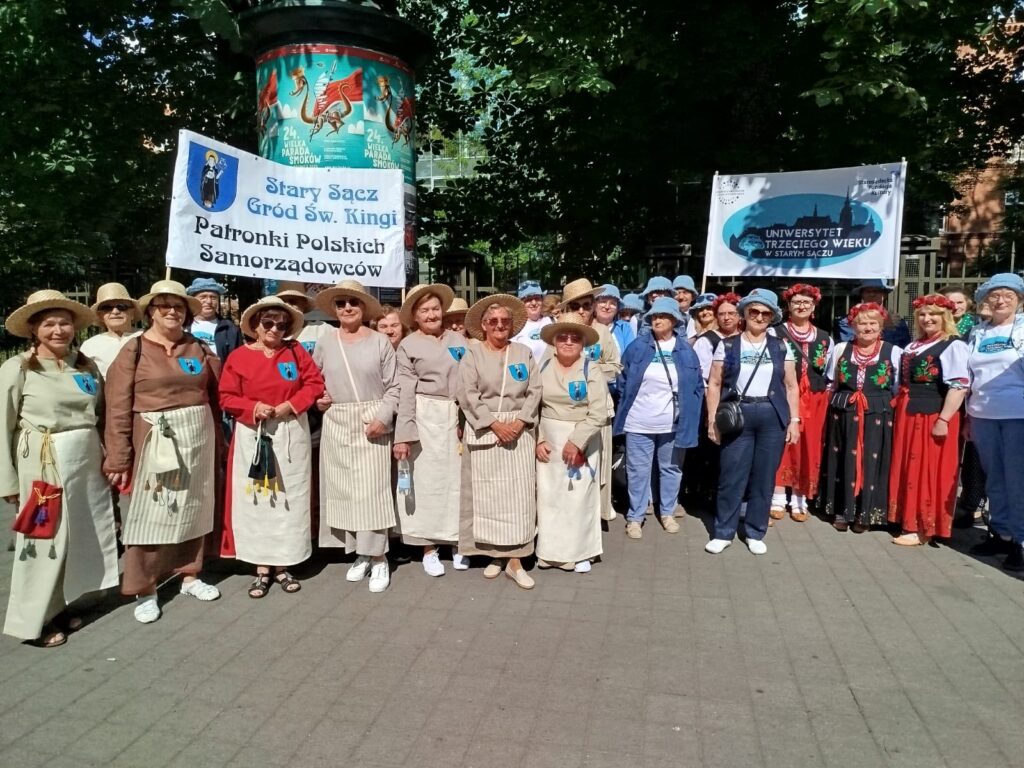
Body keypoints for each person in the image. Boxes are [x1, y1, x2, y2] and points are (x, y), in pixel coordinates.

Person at [1, 291, 119, 647]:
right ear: (33, 329)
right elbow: (2, 424)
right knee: (43, 539)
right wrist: (7, 480)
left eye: (64, 323)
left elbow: (100, 414)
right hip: (43, 465)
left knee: (77, 537)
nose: (58, 330)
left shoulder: (85, 366)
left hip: (84, 463)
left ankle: (59, 605)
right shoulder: (18, 368)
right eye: (49, 324)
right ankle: (32, 622)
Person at [103, 280, 223, 623]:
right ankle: (144, 587)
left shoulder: (198, 347)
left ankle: (190, 574)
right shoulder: (134, 349)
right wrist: (118, 456)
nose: (172, 311)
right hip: (154, 437)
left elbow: (217, 395)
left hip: (197, 436)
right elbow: (117, 406)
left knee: (194, 507)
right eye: (164, 305)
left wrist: (221, 442)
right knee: (151, 512)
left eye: (179, 306)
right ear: (151, 312)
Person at [218, 296, 325, 597]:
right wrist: (253, 408)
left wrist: (291, 405)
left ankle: (284, 564)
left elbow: (314, 384)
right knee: (259, 500)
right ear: (255, 325)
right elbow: (226, 396)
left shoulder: (295, 351)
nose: (275, 329)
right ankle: (261, 567)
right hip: (254, 434)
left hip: (291, 432)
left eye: (282, 325)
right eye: (268, 323)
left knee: (289, 498)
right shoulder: (239, 357)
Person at [313, 280, 399, 592]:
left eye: (353, 302)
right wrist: (319, 399)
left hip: (370, 420)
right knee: (346, 491)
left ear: (363, 307)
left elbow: (395, 386)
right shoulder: (325, 341)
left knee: (372, 492)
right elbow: (314, 381)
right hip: (338, 422)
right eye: (341, 303)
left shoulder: (379, 341)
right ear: (335, 309)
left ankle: (379, 556)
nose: (347, 308)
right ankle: (360, 552)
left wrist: (383, 417)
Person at [705, 289, 800, 555]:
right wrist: (712, 420)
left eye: (765, 313)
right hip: (738, 414)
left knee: (764, 477)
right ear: (744, 314)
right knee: (731, 475)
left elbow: (791, 386)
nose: (759, 317)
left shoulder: (781, 346)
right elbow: (714, 383)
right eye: (754, 311)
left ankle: (756, 531)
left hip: (771, 415)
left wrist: (794, 420)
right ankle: (723, 531)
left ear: (772, 317)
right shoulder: (728, 345)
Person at [457, 294, 542, 589]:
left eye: (505, 321)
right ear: (483, 325)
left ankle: (515, 559)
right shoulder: (472, 354)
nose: (499, 325)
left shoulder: (523, 353)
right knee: (487, 496)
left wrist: (519, 422)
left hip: (519, 429)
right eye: (492, 321)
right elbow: (467, 393)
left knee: (518, 496)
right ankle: (494, 554)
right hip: (486, 429)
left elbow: (535, 390)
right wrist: (494, 424)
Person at [614, 297, 704, 539]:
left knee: (671, 469)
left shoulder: (685, 350)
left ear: (674, 320)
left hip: (673, 423)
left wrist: (689, 415)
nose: (657, 320)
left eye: (663, 316)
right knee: (638, 471)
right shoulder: (637, 347)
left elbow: (696, 386)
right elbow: (623, 381)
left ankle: (667, 512)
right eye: (654, 316)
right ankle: (635, 516)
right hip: (638, 421)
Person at [392, 284, 466, 576]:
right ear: (415, 315)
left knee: (457, 481)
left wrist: (466, 418)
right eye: (424, 310)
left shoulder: (458, 339)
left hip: (455, 414)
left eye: (435, 309)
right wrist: (404, 434)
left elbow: (470, 379)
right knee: (426, 482)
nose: (431, 315)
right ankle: (428, 546)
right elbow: (405, 392)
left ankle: (458, 542)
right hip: (425, 415)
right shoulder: (408, 345)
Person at [887, 295, 969, 546]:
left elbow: (959, 386)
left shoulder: (952, 345)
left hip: (932, 413)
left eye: (933, 314)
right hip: (909, 411)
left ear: (945, 317)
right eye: (922, 314)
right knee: (908, 464)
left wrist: (944, 419)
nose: (927, 319)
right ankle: (906, 518)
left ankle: (922, 526)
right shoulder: (915, 345)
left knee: (926, 467)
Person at [535, 315, 609, 572]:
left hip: (582, 438)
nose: (568, 342)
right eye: (563, 337)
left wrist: (576, 442)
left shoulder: (591, 369)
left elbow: (598, 412)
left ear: (583, 343)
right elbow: (533, 406)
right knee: (550, 497)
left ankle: (580, 552)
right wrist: (538, 438)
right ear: (554, 341)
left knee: (578, 497)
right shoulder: (543, 366)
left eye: (575, 338)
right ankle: (549, 551)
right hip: (549, 439)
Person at [821, 302, 902, 533]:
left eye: (873, 323)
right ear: (853, 326)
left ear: (881, 326)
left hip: (877, 412)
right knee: (843, 458)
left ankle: (865, 512)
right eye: (862, 323)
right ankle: (842, 510)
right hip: (844, 411)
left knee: (872, 460)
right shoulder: (840, 349)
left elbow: (897, 387)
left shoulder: (893, 352)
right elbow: (831, 382)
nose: (867, 328)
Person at [964, 273, 1024, 570]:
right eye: (995, 295)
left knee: (1017, 479)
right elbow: (968, 375)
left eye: (1008, 296)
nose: (1001, 301)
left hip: (1017, 414)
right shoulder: (977, 332)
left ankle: (1021, 541)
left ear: (1019, 301)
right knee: (994, 478)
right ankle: (1001, 532)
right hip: (982, 414)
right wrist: (967, 414)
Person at [560, 278, 622, 522]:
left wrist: (590, 373)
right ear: (567, 308)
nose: (582, 311)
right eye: (576, 306)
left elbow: (615, 366)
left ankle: (594, 516)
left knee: (596, 464)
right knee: (568, 464)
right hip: (566, 410)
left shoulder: (602, 332)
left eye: (587, 305)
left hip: (598, 409)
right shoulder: (559, 332)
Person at [771, 284, 832, 522]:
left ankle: (800, 498)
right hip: (783, 395)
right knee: (783, 443)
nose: (801, 306)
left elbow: (830, 373)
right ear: (788, 305)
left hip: (814, 399)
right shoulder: (775, 332)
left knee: (809, 446)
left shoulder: (825, 338)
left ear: (814, 307)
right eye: (796, 302)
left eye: (807, 302)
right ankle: (777, 497)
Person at [80, 283, 142, 377]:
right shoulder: (90, 345)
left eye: (122, 307)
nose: (115, 312)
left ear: (132, 313)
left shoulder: (148, 337)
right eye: (107, 308)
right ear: (100, 315)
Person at [834, 280, 911, 347]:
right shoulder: (848, 321)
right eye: (868, 291)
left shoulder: (898, 323)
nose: (872, 294)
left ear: (884, 295)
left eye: (876, 291)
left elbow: (903, 350)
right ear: (862, 294)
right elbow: (847, 346)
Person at [184, 277, 243, 362]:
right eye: (203, 297)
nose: (209, 301)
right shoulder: (182, 325)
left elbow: (238, 360)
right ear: (193, 300)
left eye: (213, 297)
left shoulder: (229, 328)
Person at [692, 292, 742, 383]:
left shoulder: (746, 338)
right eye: (721, 314)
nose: (726, 318)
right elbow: (701, 378)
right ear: (716, 317)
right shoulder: (706, 341)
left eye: (731, 313)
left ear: (740, 316)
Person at [276, 281, 331, 355]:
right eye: (283, 302)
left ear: (303, 304)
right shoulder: (270, 332)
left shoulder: (321, 329)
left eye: (292, 302)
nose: (287, 306)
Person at [511, 280, 553, 360]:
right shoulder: (515, 327)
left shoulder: (552, 321)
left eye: (537, 298)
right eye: (529, 299)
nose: (534, 303)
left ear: (542, 300)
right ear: (521, 303)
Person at [593, 284, 636, 357]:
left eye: (612, 303)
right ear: (594, 304)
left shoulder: (624, 328)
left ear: (617, 309)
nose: (607, 307)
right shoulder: (587, 326)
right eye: (603, 302)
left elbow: (631, 356)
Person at [672, 275, 699, 339]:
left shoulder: (699, 316)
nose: (681, 297)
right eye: (677, 293)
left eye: (685, 293)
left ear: (692, 296)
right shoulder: (667, 315)